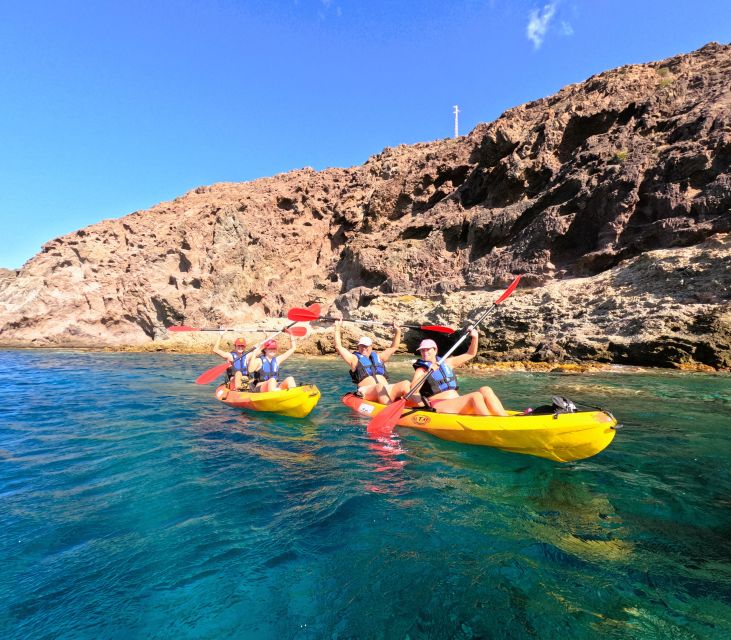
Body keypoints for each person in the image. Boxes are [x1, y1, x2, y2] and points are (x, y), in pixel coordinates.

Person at [410, 334, 508, 416]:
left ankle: (503, 418)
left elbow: (471, 354)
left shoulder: (447, 363)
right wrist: (428, 371)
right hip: (438, 404)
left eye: (428, 349)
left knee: (486, 389)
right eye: (422, 350)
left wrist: (475, 337)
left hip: (456, 401)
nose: (425, 352)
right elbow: (413, 390)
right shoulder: (422, 369)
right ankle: (488, 422)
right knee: (476, 396)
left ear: (435, 350)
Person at [334, 320, 410, 404]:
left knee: (405, 383)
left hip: (386, 389)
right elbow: (338, 347)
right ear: (358, 347)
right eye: (361, 346)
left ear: (371, 347)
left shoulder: (379, 357)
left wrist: (398, 331)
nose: (364, 348)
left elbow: (394, 347)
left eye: (366, 346)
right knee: (379, 387)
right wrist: (337, 328)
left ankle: (419, 407)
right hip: (367, 392)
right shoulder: (354, 359)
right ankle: (389, 409)